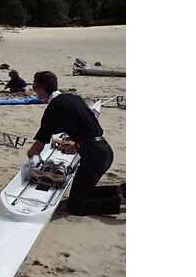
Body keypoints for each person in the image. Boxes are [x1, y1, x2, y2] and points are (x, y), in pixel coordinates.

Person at [27, 71, 125, 216]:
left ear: (42, 88)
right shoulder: (73, 98)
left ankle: (118, 203)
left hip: (94, 157)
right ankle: (121, 191)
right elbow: (89, 126)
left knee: (75, 207)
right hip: (104, 151)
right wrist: (76, 143)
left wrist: (31, 158)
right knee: (83, 193)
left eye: (35, 88)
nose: (35, 92)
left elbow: (37, 147)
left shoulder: (53, 108)